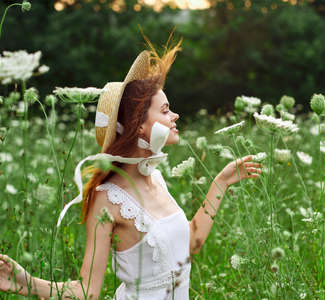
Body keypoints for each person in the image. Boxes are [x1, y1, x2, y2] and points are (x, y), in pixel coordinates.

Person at [0, 37, 262, 299]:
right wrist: (25, 282)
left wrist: (221, 182)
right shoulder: (107, 198)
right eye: (165, 110)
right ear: (139, 126)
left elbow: (189, 245)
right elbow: (86, 291)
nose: (175, 116)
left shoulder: (156, 178)